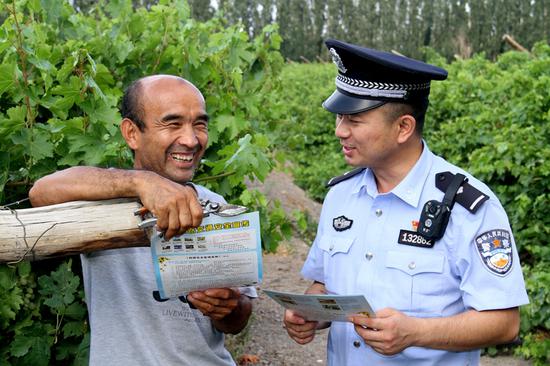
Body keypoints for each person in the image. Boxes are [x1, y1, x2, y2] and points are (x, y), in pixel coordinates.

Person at [283, 39, 529, 365]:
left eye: (353, 121)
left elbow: (504, 323)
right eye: (339, 118)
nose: (339, 131)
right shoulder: (340, 197)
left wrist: (415, 333)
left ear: (403, 127)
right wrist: (312, 312)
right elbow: (325, 284)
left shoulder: (465, 207)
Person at [29, 75, 254, 365]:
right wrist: (141, 183)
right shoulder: (102, 198)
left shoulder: (218, 207)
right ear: (132, 133)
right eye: (172, 124)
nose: (191, 139)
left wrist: (230, 308)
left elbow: (237, 322)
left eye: (200, 124)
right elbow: (41, 192)